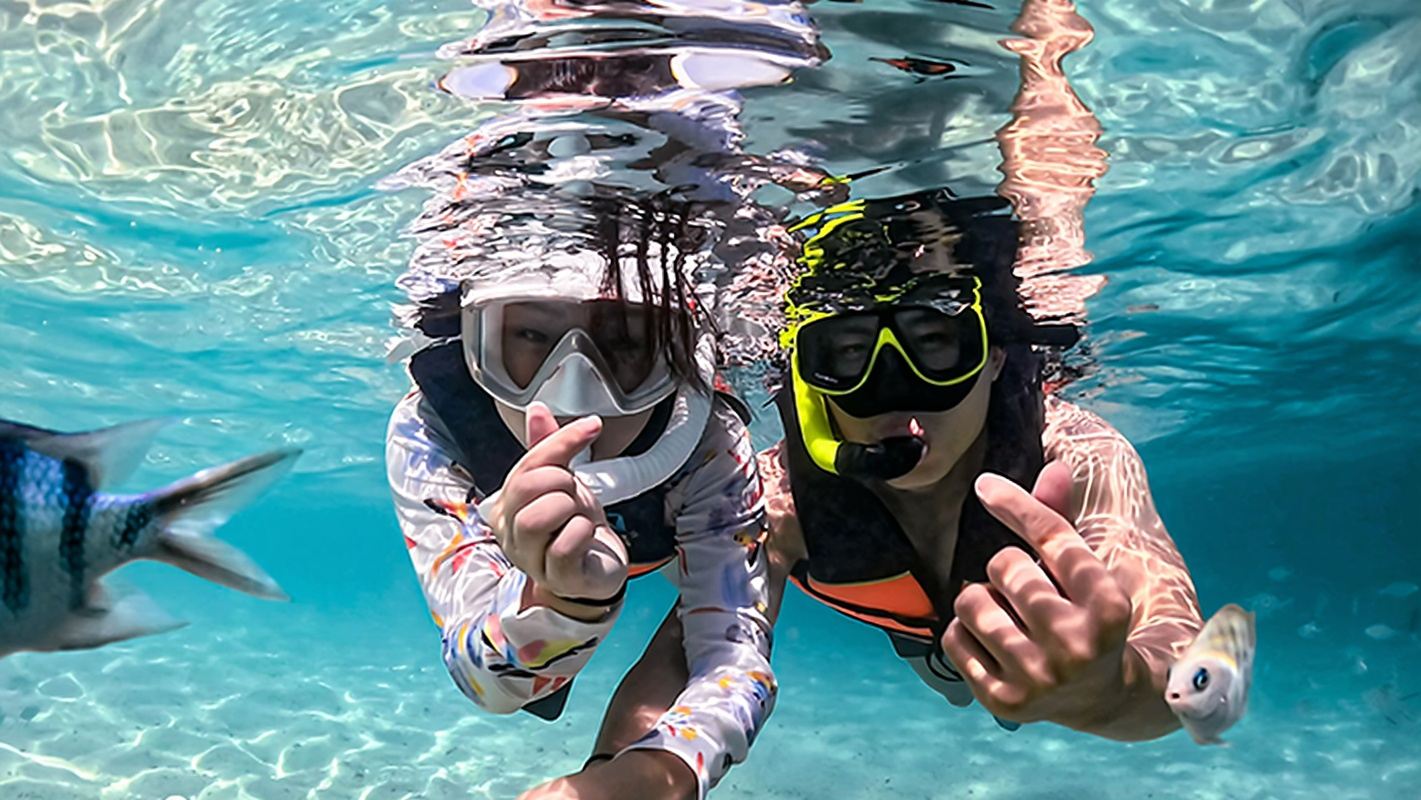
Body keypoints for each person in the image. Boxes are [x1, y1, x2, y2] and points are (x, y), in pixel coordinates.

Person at [580, 189, 1206, 777]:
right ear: (807, 375)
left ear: (994, 355)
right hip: (918, 633)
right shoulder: (781, 497)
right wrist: (622, 773)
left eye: (935, 344)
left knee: (984, 688)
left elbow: (1182, 655)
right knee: (954, 681)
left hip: (1025, 643)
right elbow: (697, 645)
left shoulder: (1075, 454)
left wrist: (1110, 690)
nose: (899, 407)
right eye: (847, 355)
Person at [385, 207, 776, 800]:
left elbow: (732, 651)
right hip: (551, 579)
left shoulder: (707, 441)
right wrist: (561, 604)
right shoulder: (432, 430)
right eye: (530, 337)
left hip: (673, 530)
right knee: (528, 691)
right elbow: (482, 680)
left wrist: (663, 775)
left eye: (624, 342)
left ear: (677, 359)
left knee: (728, 582)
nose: (571, 392)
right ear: (474, 348)